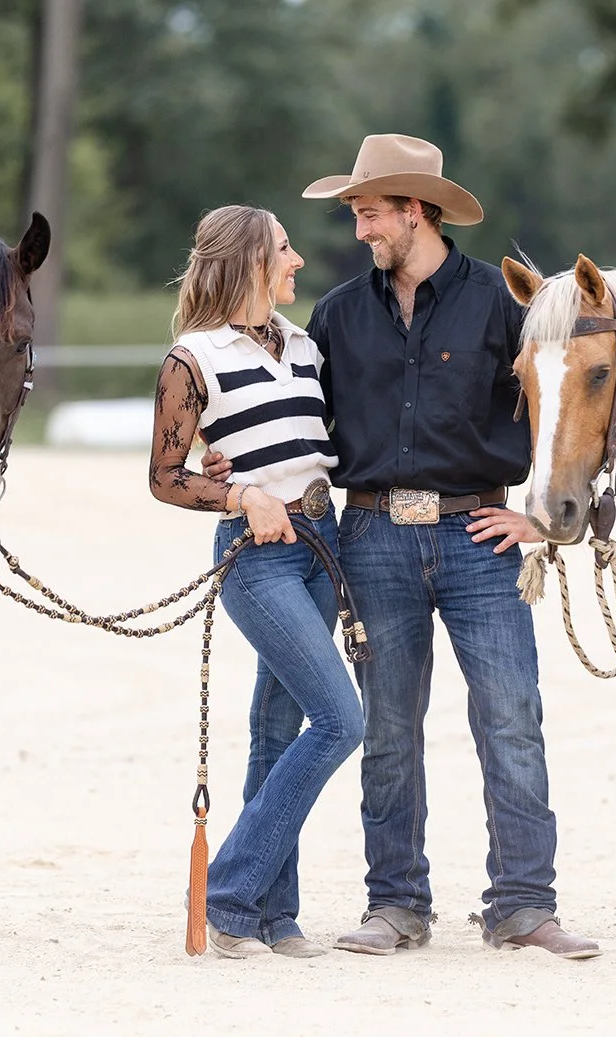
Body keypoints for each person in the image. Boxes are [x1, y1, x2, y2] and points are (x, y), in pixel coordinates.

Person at [206, 134, 601, 959]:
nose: (358, 231)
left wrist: (547, 518)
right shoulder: (337, 316)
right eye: (355, 213)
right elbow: (287, 420)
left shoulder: (503, 304)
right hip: (371, 535)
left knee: (511, 720)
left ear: (416, 210)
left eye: (369, 213)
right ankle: (397, 904)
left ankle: (524, 904)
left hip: (480, 535)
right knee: (386, 730)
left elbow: (576, 405)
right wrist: (227, 466)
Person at [148, 204, 363, 959]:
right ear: (248, 260)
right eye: (283, 248)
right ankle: (227, 895)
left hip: (321, 544)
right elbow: (165, 477)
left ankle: (277, 913)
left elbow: (318, 442)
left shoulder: (302, 344)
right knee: (342, 720)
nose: (297, 259)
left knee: (276, 733)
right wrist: (241, 493)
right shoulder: (191, 358)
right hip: (257, 555)